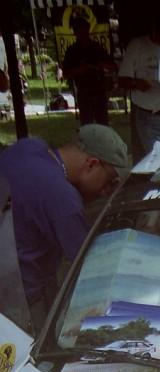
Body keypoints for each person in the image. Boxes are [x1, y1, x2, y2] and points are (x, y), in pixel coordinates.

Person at [0, 124, 129, 331]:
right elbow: (90, 269)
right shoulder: (63, 199)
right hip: (21, 300)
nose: (106, 191)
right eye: (109, 181)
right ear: (91, 164)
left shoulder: (27, 147)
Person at [118, 12, 160, 155]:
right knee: (155, 158)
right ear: (154, 29)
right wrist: (137, 83)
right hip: (148, 117)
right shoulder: (137, 46)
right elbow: (122, 80)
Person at [62, 16, 116, 125]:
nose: (81, 33)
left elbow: (113, 67)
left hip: (99, 89)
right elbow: (66, 73)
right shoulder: (72, 51)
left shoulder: (97, 48)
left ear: (87, 30)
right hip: (83, 91)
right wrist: (80, 70)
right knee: (86, 125)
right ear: (75, 32)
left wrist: (102, 65)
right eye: (77, 30)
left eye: (83, 30)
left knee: (103, 123)